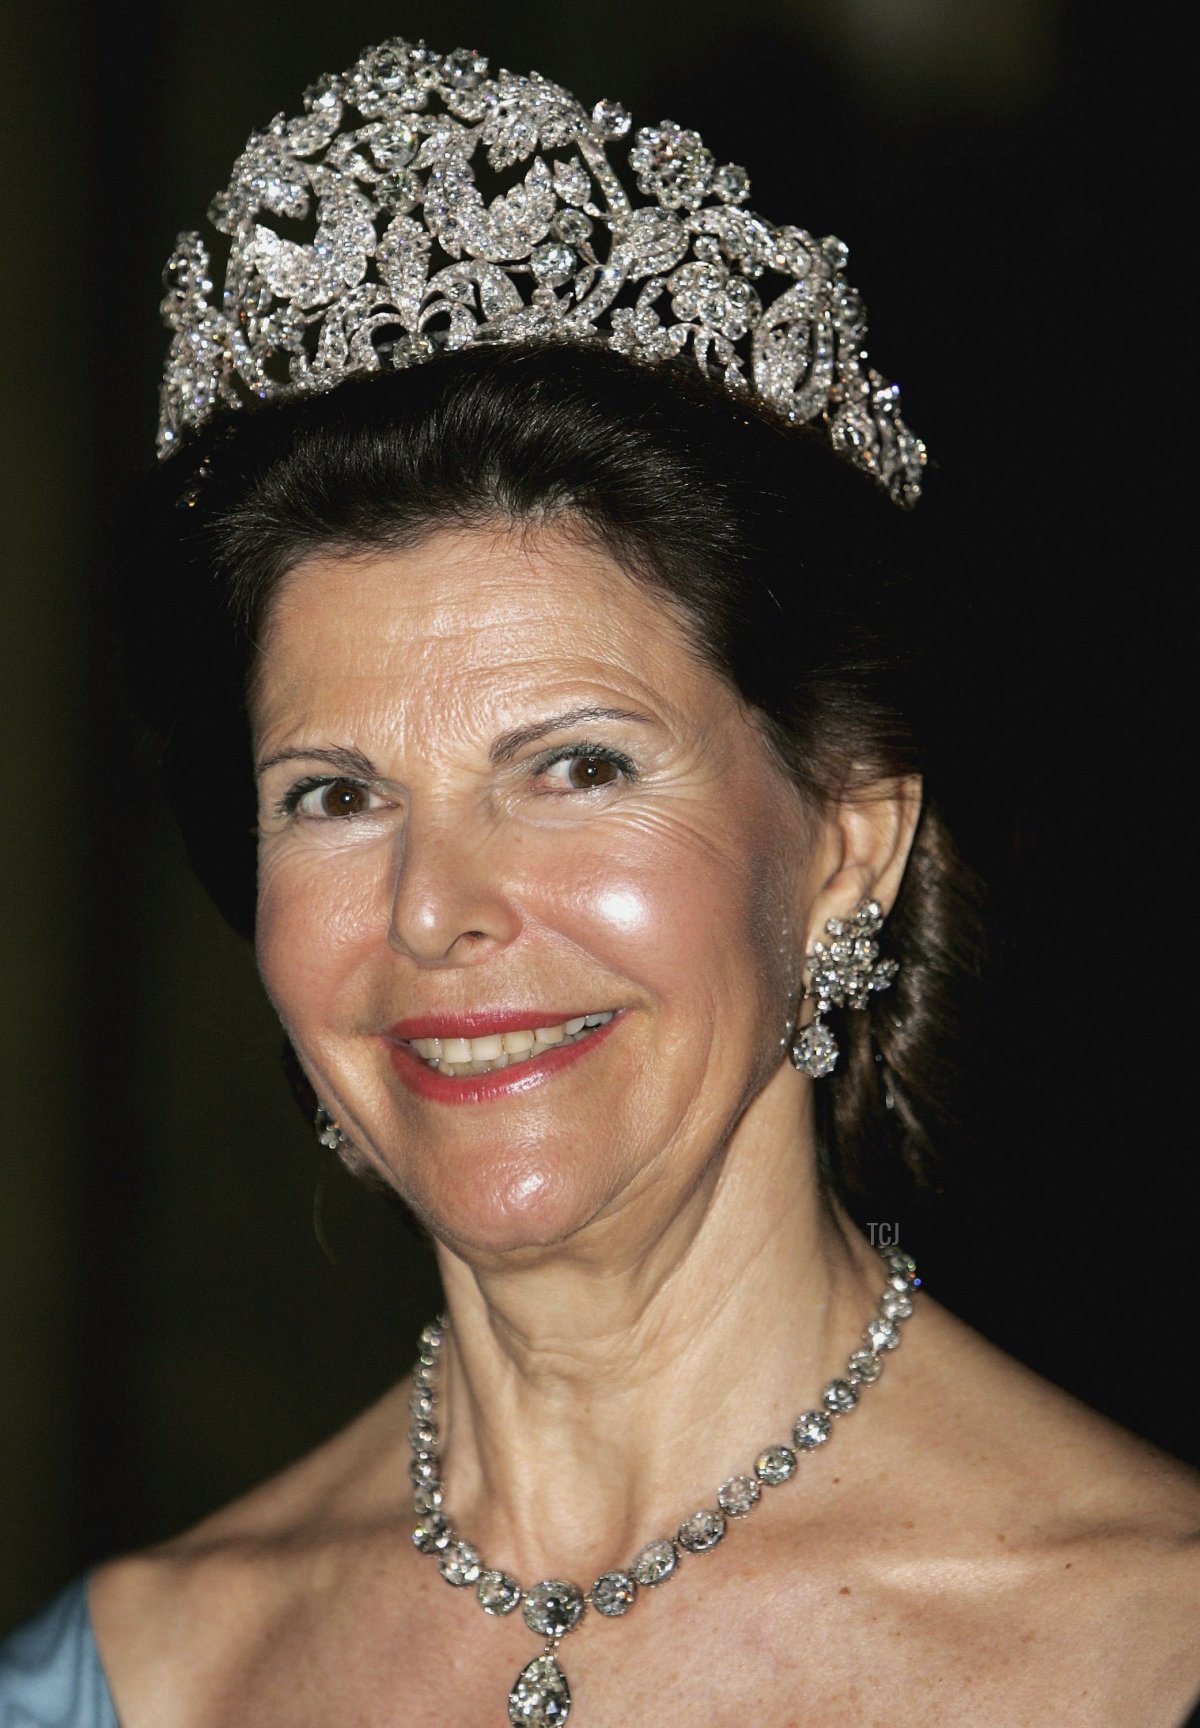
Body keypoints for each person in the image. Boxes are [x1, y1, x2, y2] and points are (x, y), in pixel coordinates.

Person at [3, 34, 1198, 1728]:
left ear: (850, 843)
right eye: (337, 795)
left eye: (577, 767)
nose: (436, 910)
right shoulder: (126, 1674)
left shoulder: (1144, 1646)